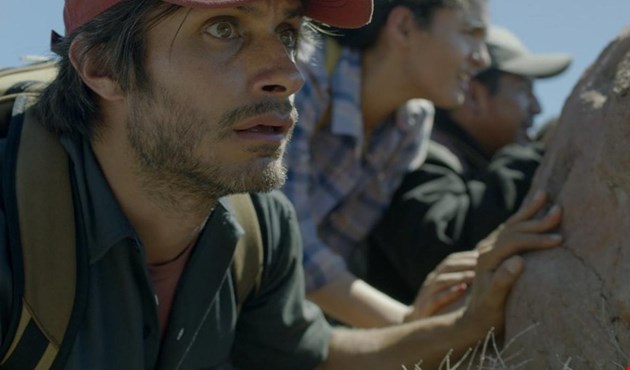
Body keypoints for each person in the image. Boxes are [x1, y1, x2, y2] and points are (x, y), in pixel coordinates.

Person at [0, 0, 563, 368]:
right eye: (223, 29)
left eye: (288, 31)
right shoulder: (13, 218)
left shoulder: (260, 224)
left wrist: (462, 326)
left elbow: (313, 355)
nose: (290, 73)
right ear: (102, 68)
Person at [282, 0, 493, 327]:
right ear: (404, 27)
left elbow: (334, 249)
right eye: (470, 32)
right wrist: (415, 328)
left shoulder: (411, 123)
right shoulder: (301, 75)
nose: (482, 58)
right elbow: (285, 244)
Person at [365, 25, 572, 303]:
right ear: (474, 95)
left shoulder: (466, 156)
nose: (536, 107)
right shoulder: (419, 154)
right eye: (524, 90)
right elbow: (443, 249)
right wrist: (533, 155)